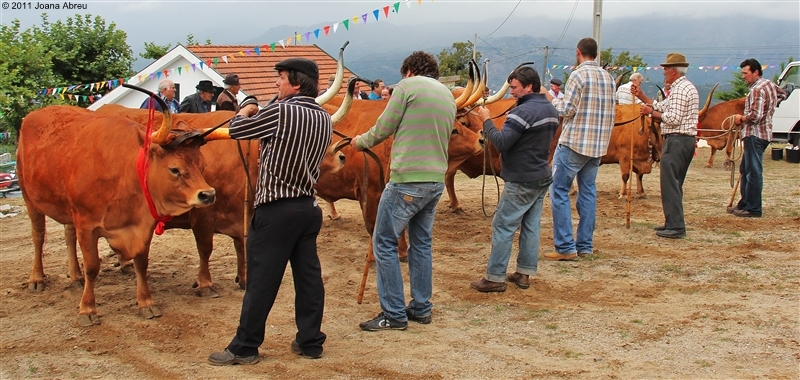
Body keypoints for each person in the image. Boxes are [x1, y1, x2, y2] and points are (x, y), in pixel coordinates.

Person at [208, 57, 331, 364]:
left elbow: (237, 130)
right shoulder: (324, 118)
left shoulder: (280, 111)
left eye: (281, 78)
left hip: (276, 210)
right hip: (307, 207)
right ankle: (310, 341)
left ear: (297, 83)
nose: (276, 83)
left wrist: (246, 108)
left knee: (261, 279)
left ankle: (244, 347)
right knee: (309, 278)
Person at [350, 51, 455, 330]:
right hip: (435, 181)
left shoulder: (406, 87)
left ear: (409, 71)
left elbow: (384, 126)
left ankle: (394, 314)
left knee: (383, 241)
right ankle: (421, 308)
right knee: (421, 244)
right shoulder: (447, 94)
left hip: (407, 179)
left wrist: (359, 142)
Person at [470, 66, 558, 292]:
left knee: (503, 226)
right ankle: (523, 273)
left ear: (528, 87)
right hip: (541, 174)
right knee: (530, 226)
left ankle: (495, 277)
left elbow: (500, 143)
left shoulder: (521, 113)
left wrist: (487, 121)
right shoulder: (549, 108)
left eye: (515, 88)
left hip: (521, 179)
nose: (511, 93)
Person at [543, 37, 615, 260]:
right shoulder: (609, 77)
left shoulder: (578, 75)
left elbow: (566, 109)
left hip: (574, 142)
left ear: (578, 52)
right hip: (597, 145)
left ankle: (565, 247)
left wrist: (549, 98)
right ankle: (585, 245)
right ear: (595, 53)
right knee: (588, 192)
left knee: (559, 190)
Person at [631, 52, 699, 239]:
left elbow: (673, 118)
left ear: (674, 71)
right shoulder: (684, 88)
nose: (664, 73)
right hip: (684, 140)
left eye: (666, 69)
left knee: (670, 183)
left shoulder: (680, 89)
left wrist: (650, 113)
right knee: (674, 183)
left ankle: (676, 226)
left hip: (677, 139)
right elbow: (663, 105)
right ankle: (672, 222)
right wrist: (643, 97)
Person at [729, 58, 786, 218]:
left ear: (755, 72)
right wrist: (771, 107)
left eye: (745, 73)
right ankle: (745, 204)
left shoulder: (756, 90)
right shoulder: (769, 84)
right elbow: (783, 94)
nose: (743, 77)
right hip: (764, 133)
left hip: (755, 134)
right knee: (745, 170)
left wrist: (741, 118)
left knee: (753, 172)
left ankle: (753, 208)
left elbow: (755, 116)